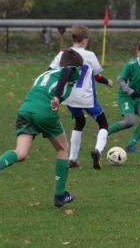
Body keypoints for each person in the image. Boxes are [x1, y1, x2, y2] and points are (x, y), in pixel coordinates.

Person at [0, 49, 83, 208]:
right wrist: (57, 96)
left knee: (21, 153)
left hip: (25, 110)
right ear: (78, 66)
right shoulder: (71, 69)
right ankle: (59, 195)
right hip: (44, 110)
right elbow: (68, 70)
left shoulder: (47, 73)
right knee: (63, 148)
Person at [49, 24, 113, 170]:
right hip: (87, 98)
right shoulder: (89, 55)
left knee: (79, 122)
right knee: (103, 124)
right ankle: (97, 150)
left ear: (72, 39)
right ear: (85, 40)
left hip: (70, 98)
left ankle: (72, 159)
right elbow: (96, 76)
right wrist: (107, 81)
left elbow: (50, 71)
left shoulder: (62, 54)